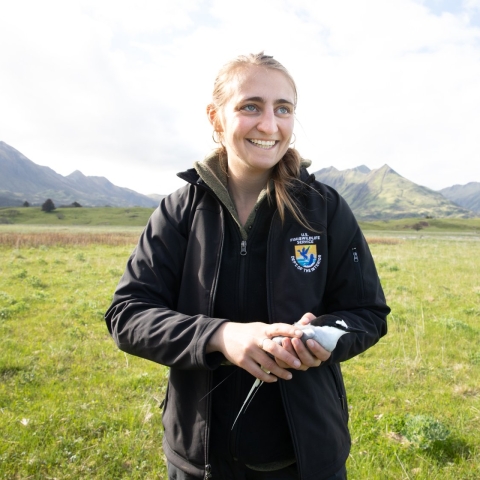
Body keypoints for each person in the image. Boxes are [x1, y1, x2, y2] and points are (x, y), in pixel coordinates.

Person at [105, 52, 389, 480]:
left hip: (308, 458)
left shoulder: (325, 209)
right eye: (250, 106)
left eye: (283, 109)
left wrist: (322, 338)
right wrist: (220, 336)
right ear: (215, 118)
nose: (269, 125)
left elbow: (367, 313)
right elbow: (127, 316)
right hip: (200, 460)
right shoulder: (180, 210)